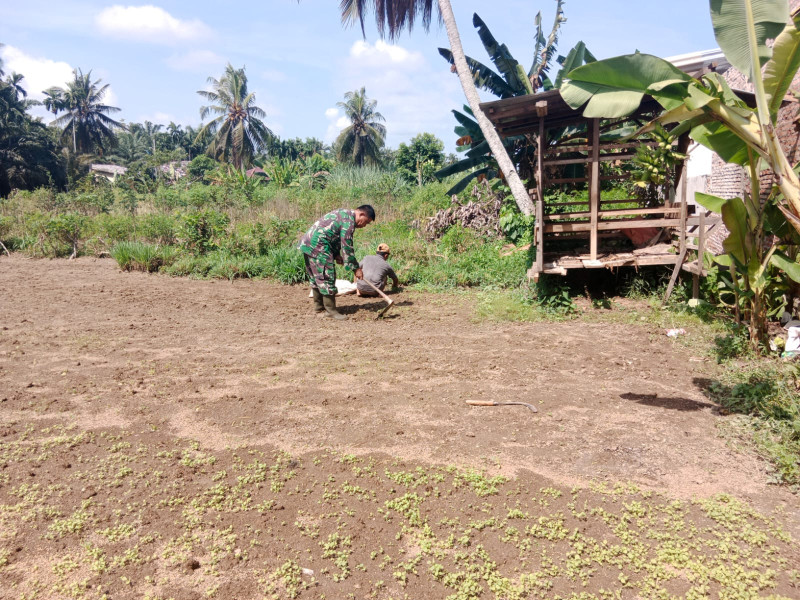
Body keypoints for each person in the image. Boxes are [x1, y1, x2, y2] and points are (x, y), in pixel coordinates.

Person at [297, 205, 375, 320]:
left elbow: (333, 235)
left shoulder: (343, 213)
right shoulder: (349, 222)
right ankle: (331, 311)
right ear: (361, 214)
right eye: (366, 222)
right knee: (327, 276)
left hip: (308, 244)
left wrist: (336, 254)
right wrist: (356, 268)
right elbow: (347, 247)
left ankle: (319, 307)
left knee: (317, 276)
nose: (364, 225)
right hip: (319, 246)